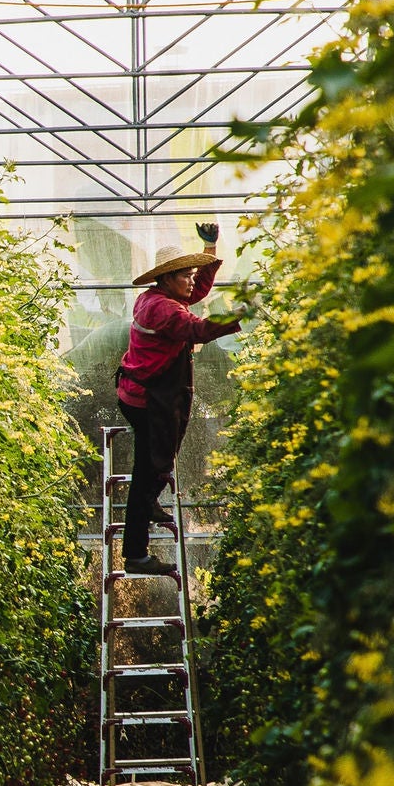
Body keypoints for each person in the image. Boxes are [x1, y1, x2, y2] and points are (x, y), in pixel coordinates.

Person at [114, 222, 241, 576]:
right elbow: (197, 329)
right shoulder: (165, 310)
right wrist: (236, 314)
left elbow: (196, 292)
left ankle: (150, 503)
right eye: (185, 275)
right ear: (167, 278)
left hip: (140, 394)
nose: (191, 281)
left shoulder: (159, 297)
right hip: (147, 399)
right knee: (149, 470)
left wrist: (209, 248)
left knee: (158, 461)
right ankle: (136, 554)